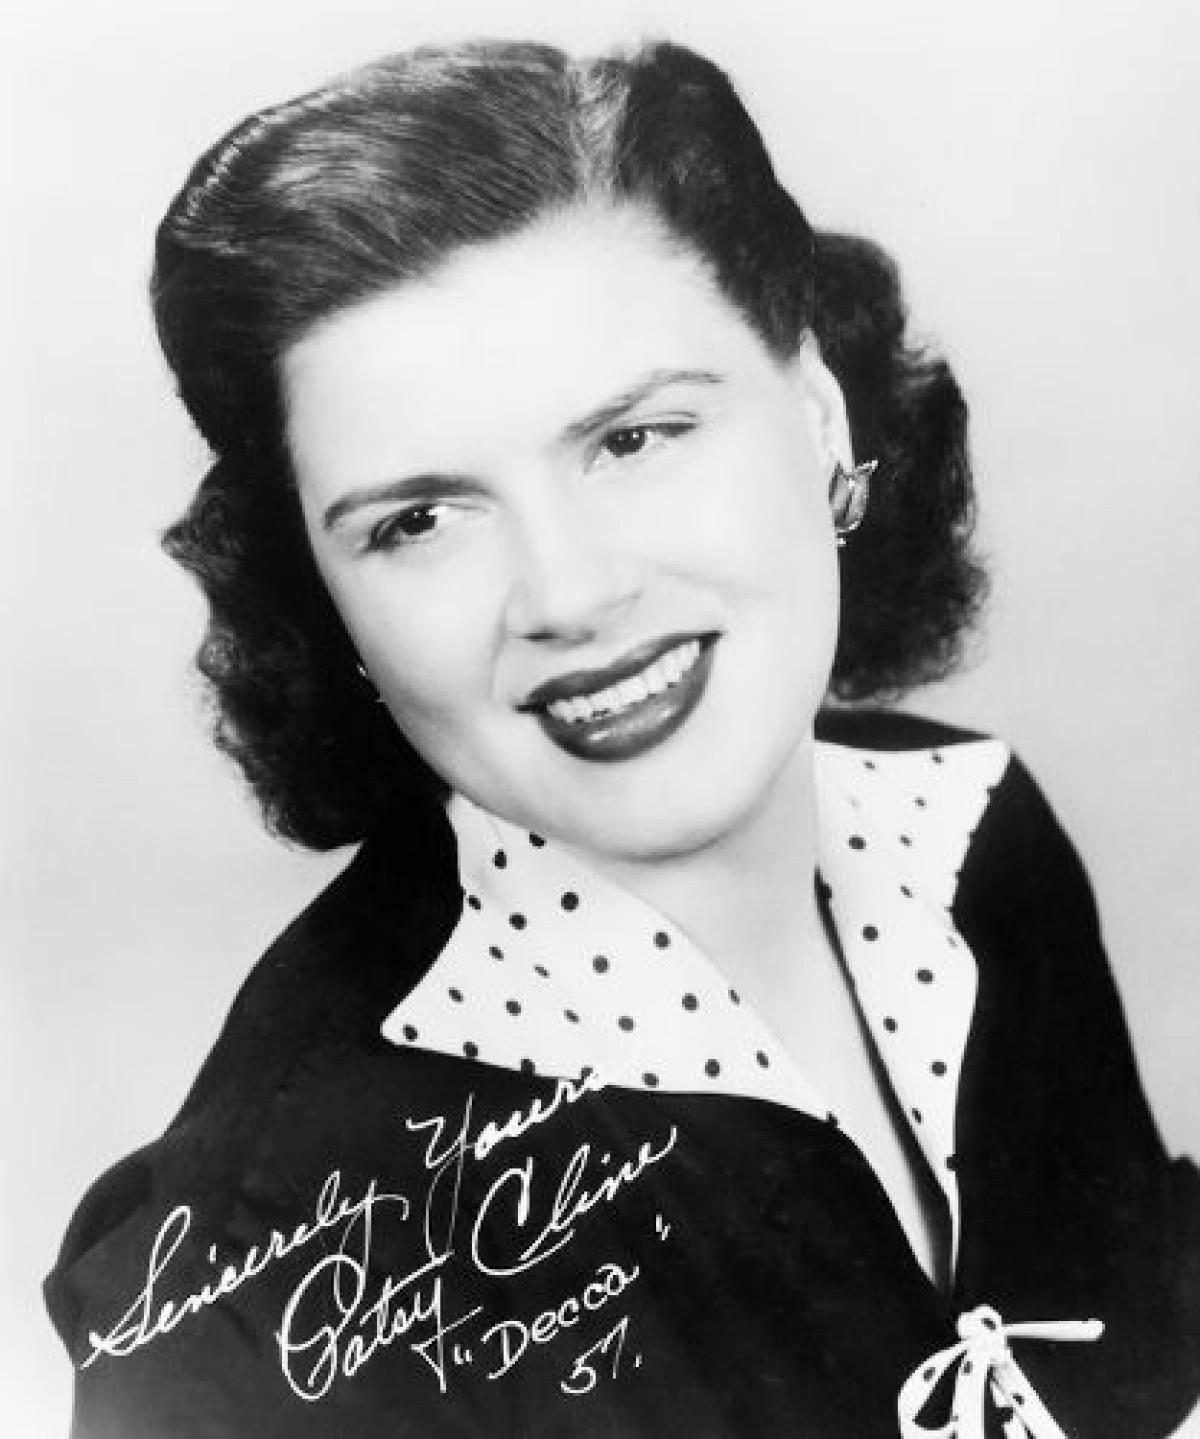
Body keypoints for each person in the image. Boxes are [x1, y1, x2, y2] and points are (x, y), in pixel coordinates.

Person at [43, 37, 1200, 1439]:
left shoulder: (967, 831)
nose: (571, 595)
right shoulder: (260, 1273)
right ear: (328, 602)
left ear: (818, 416)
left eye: (637, 439)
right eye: (419, 520)